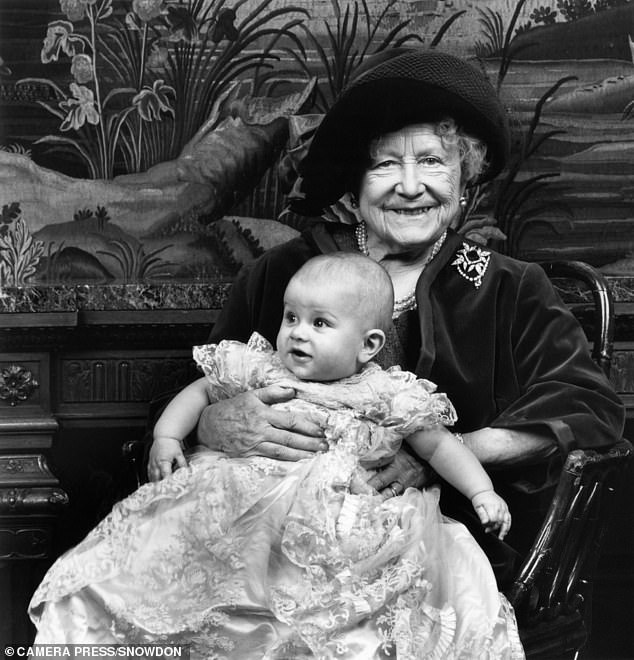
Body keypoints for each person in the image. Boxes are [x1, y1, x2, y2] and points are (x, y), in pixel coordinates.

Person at [189, 47, 625, 585]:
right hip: (266, 540)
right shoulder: (285, 270)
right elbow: (196, 390)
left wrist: (447, 454)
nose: (411, 185)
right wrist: (214, 424)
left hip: (441, 545)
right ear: (355, 183)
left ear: (465, 182)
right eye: (386, 164)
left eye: (434, 161)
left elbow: (589, 408)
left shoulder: (508, 286)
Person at [30, 253, 525, 659]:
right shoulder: (262, 368)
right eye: (291, 317)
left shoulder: (383, 392)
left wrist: (481, 491)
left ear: (369, 345)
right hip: (245, 510)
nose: (297, 333)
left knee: (410, 575)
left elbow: (438, 443)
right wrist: (166, 437)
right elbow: (201, 392)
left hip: (336, 523)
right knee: (169, 555)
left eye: (320, 323)